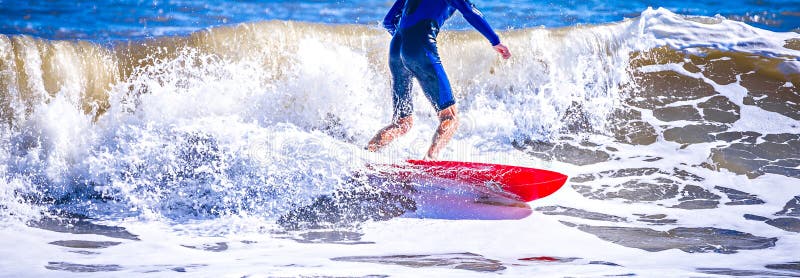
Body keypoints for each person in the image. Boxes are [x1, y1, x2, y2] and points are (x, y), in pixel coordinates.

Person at [366, 0, 511, 160]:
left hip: (396, 49)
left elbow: (388, 21)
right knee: (450, 117)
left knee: (402, 123)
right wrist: (495, 41)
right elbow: (469, 11)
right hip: (419, 47)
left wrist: (406, 45)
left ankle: (367, 154)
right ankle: (430, 160)